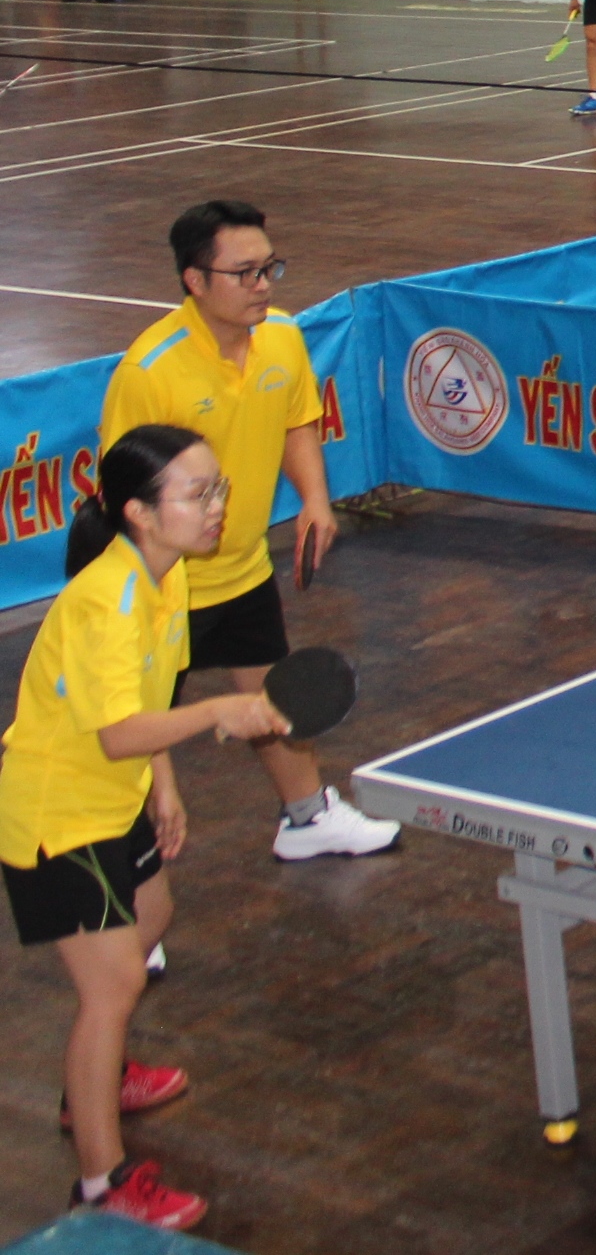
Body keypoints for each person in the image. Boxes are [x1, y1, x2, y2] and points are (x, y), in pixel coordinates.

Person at [4, 425, 292, 1231]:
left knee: (154, 916)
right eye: (197, 495)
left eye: (219, 489)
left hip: (115, 794)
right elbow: (113, 731)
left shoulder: (165, 576)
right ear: (137, 510)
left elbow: (147, 700)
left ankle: (98, 1074)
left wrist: (163, 787)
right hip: (60, 812)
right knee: (113, 986)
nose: (217, 508)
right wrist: (221, 711)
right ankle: (101, 1181)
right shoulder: (107, 602)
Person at [100, 202, 395, 867]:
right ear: (195, 281)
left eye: (269, 268)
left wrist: (316, 499)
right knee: (133, 735)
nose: (264, 284)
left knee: (274, 700)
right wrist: (143, 585)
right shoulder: (151, 371)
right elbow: (123, 492)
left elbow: (296, 419)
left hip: (242, 568)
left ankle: (306, 818)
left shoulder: (284, 337)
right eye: (244, 272)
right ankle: (124, 887)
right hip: (162, 588)